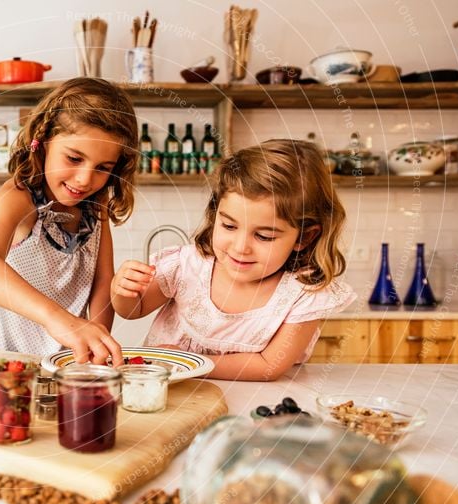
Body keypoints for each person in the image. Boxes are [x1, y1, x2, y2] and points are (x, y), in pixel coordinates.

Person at [110, 139, 357, 381]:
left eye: (264, 236)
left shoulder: (303, 294)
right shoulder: (187, 265)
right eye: (229, 225)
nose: (240, 247)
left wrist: (189, 361)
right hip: (165, 397)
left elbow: (269, 366)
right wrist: (122, 290)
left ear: (304, 236)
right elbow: (133, 310)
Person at [0, 78, 139, 364]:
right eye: (74, 158)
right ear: (43, 143)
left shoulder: (96, 203)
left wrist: (96, 340)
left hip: (59, 365)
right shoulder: (19, 196)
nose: (85, 179)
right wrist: (58, 319)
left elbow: (103, 281)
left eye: (103, 168)